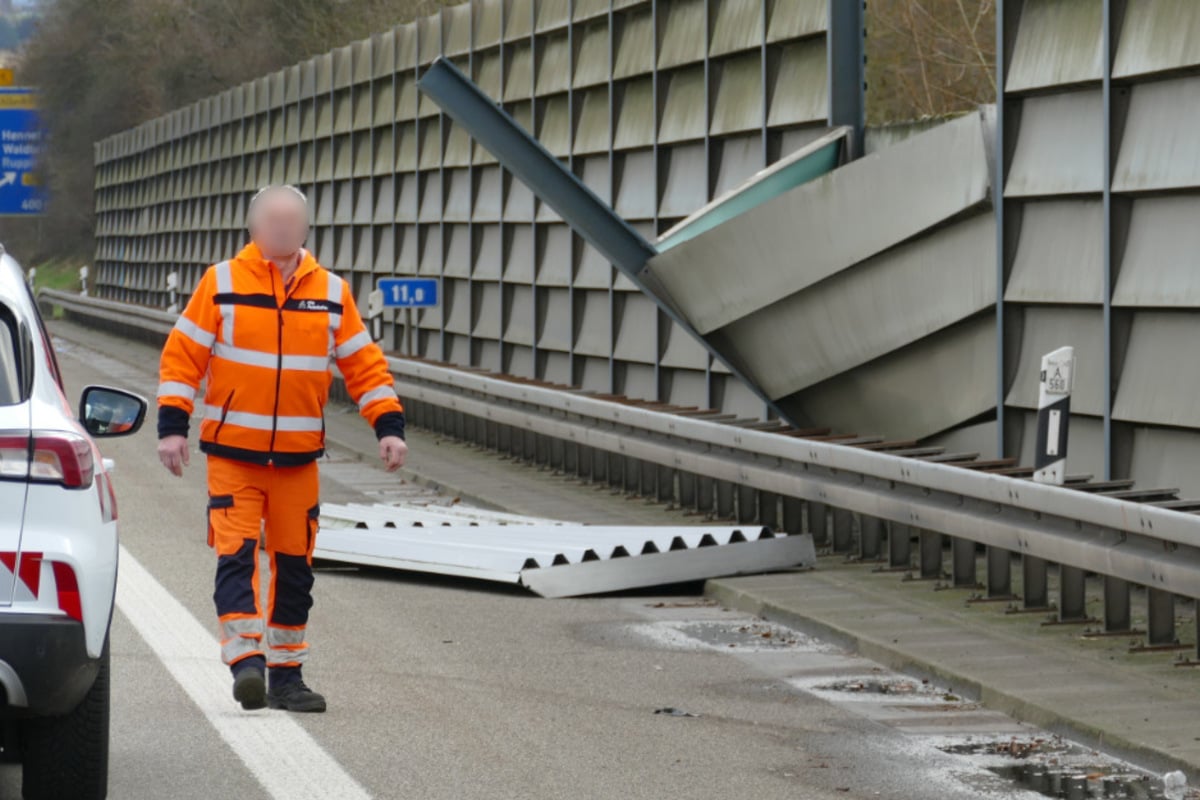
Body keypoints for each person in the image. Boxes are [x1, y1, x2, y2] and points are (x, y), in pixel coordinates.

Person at [155, 184, 408, 712]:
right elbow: (183, 357)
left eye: (292, 222)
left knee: (295, 568)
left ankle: (287, 675)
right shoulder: (220, 283)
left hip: (297, 460)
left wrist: (388, 425)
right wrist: (172, 427)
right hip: (233, 455)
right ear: (254, 228)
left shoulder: (332, 293)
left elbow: (363, 365)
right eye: (273, 221)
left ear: (307, 229)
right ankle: (246, 661)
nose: (283, 230)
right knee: (237, 557)